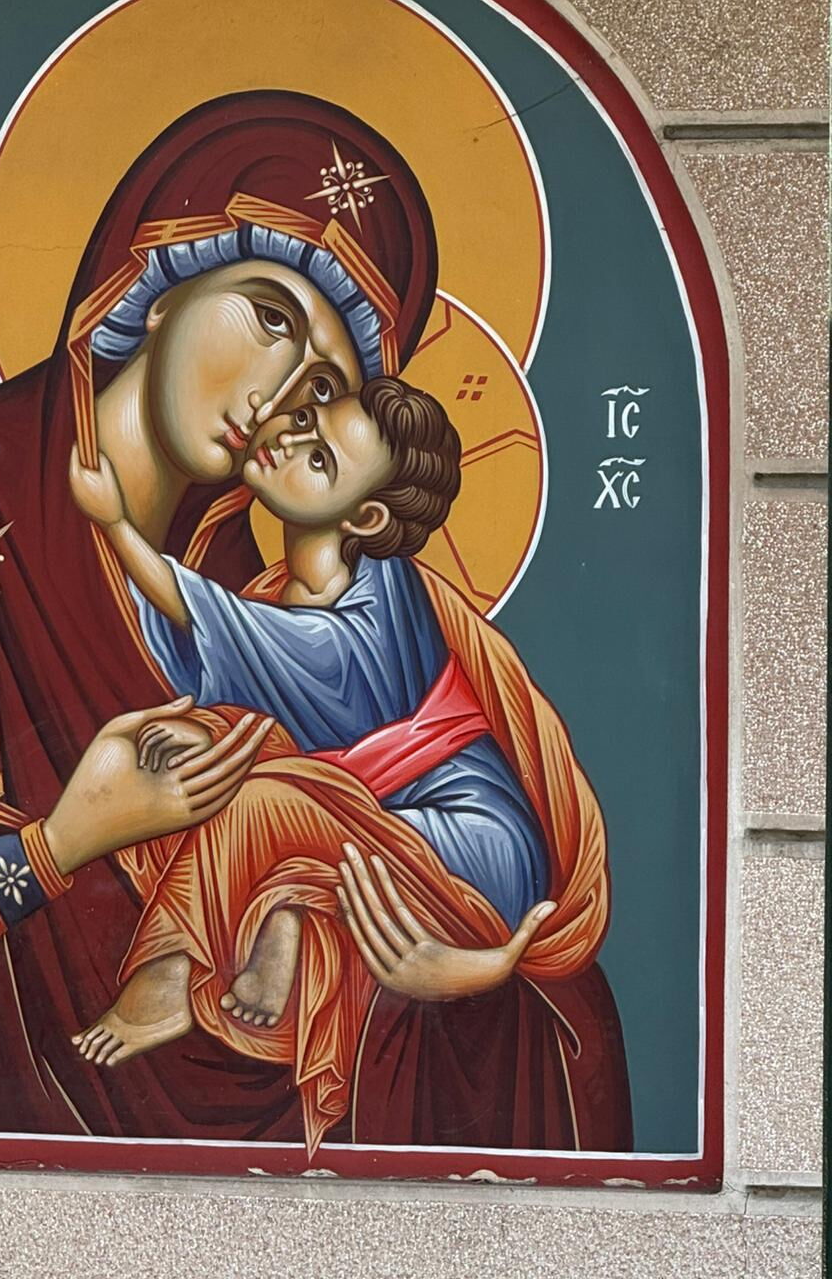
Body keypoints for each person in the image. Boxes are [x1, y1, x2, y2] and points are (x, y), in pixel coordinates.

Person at [0, 90, 630, 1150]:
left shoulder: (259, 594)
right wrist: (60, 843)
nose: (277, 396)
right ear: (159, 274)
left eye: (322, 384)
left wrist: (446, 974)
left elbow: (400, 869)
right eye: (270, 316)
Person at [66, 376, 565, 1154]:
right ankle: (291, 910)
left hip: (475, 846)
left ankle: (170, 975)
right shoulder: (317, 584)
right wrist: (215, 731)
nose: (287, 441)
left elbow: (208, 621)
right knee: (217, 778)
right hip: (379, 808)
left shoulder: (350, 631)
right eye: (302, 419)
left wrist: (113, 522)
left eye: (321, 459)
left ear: (365, 517)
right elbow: (321, 741)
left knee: (257, 803)